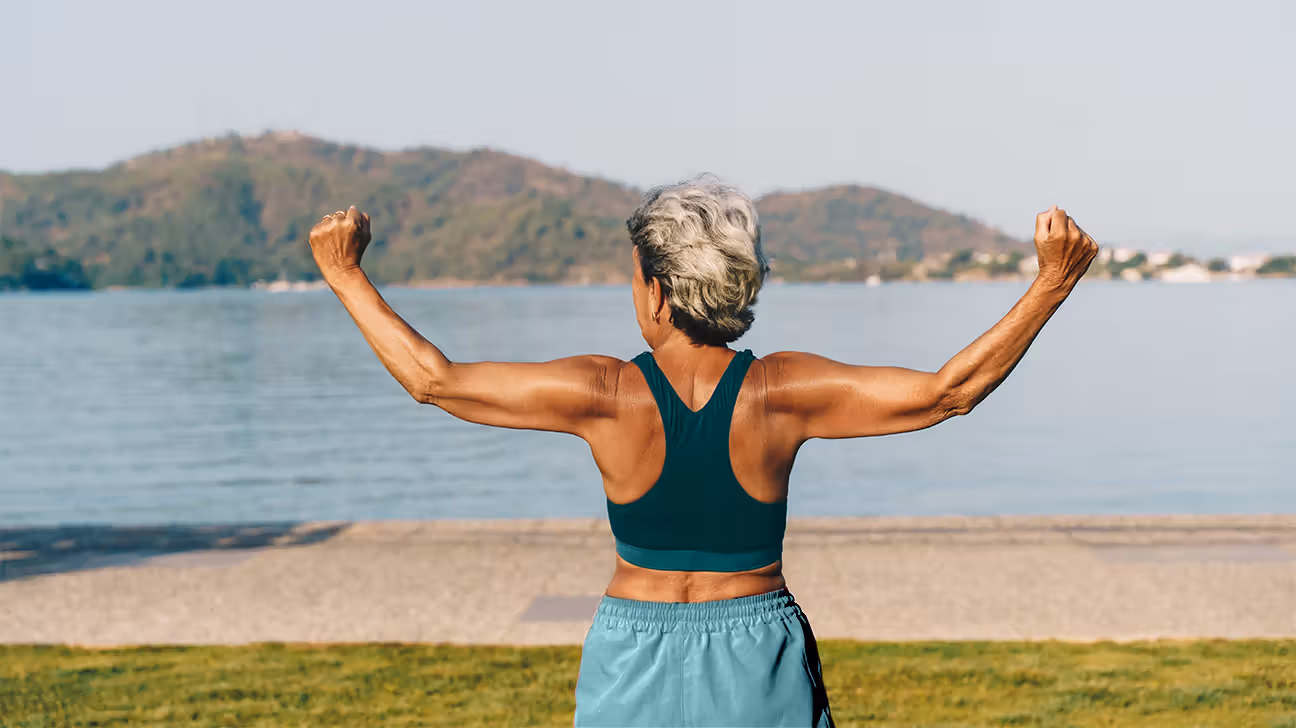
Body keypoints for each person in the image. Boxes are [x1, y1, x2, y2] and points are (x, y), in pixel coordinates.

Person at [307, 177, 1098, 727]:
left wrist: (345, 275)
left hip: (633, 645)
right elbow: (948, 391)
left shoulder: (606, 392)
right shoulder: (780, 391)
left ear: (655, 289)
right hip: (755, 646)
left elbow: (433, 380)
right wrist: (1050, 285)